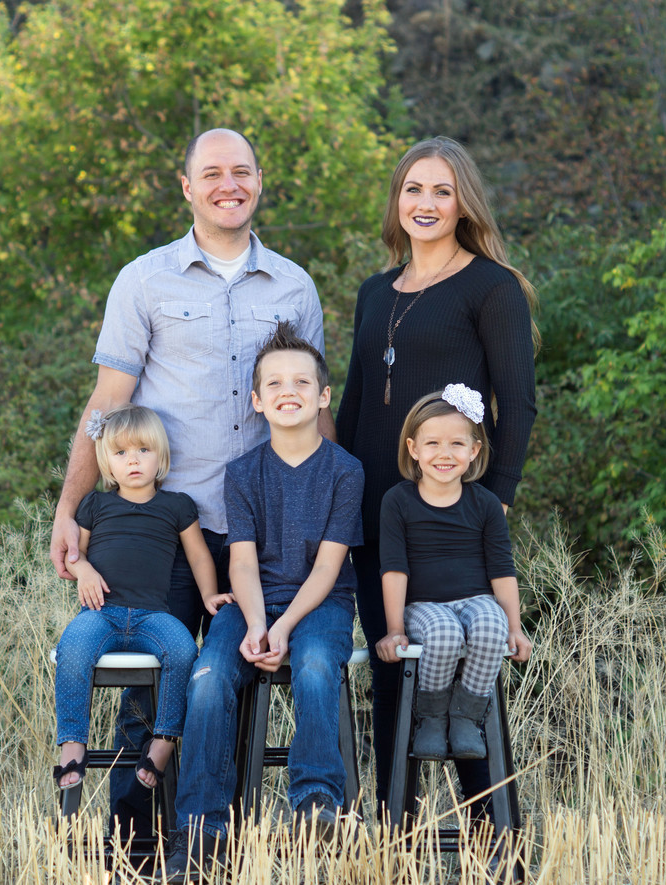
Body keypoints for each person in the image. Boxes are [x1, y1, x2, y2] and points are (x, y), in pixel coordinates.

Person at [48, 128, 333, 836]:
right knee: (150, 687)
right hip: (161, 526)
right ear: (187, 186)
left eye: (241, 172)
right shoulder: (144, 279)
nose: (227, 184)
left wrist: (333, 515)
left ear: (260, 181)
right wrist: (69, 509)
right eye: (212, 173)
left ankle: (216, 844)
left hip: (262, 531)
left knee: (226, 685)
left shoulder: (295, 285)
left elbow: (313, 406)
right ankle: (132, 844)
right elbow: (106, 406)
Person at [335, 135, 539, 819]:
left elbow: (518, 398)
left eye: (441, 191)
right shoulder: (374, 292)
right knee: (392, 674)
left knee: (464, 676)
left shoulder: (491, 287)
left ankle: (493, 837)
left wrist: (498, 498)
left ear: (463, 205)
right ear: (398, 200)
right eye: (413, 189)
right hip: (374, 520)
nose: (425, 203)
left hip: (452, 522)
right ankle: (397, 831)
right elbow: (353, 407)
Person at [162, 322, 364, 881]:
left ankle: (315, 805)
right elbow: (242, 561)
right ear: (256, 401)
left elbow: (329, 566)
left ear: (323, 396)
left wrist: (285, 628)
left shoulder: (346, 471)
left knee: (320, 665)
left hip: (319, 605)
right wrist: (255, 624)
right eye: (273, 383)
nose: (287, 390)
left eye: (302, 381)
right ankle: (203, 829)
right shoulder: (243, 472)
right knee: (207, 675)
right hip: (250, 601)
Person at [52, 404, 231, 801]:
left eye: (143, 451)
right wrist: (82, 572)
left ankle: (163, 743)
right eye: (121, 453)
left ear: (161, 457)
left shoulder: (177, 506)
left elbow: (200, 555)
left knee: (185, 650)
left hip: (154, 615)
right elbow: (73, 554)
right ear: (107, 463)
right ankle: (72, 744)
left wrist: (207, 595)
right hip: (101, 613)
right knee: (73, 647)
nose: (133, 460)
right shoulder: (95, 506)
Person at [375, 386, 532, 762]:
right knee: (444, 634)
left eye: (457, 444)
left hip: (475, 600)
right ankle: (430, 717)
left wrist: (515, 626)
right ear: (413, 448)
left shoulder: (486, 504)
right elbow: (393, 570)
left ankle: (466, 716)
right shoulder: (398, 501)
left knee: (491, 626)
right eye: (432, 444)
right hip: (424, 607)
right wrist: (395, 628)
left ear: (474, 450)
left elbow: (502, 570)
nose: (444, 454)